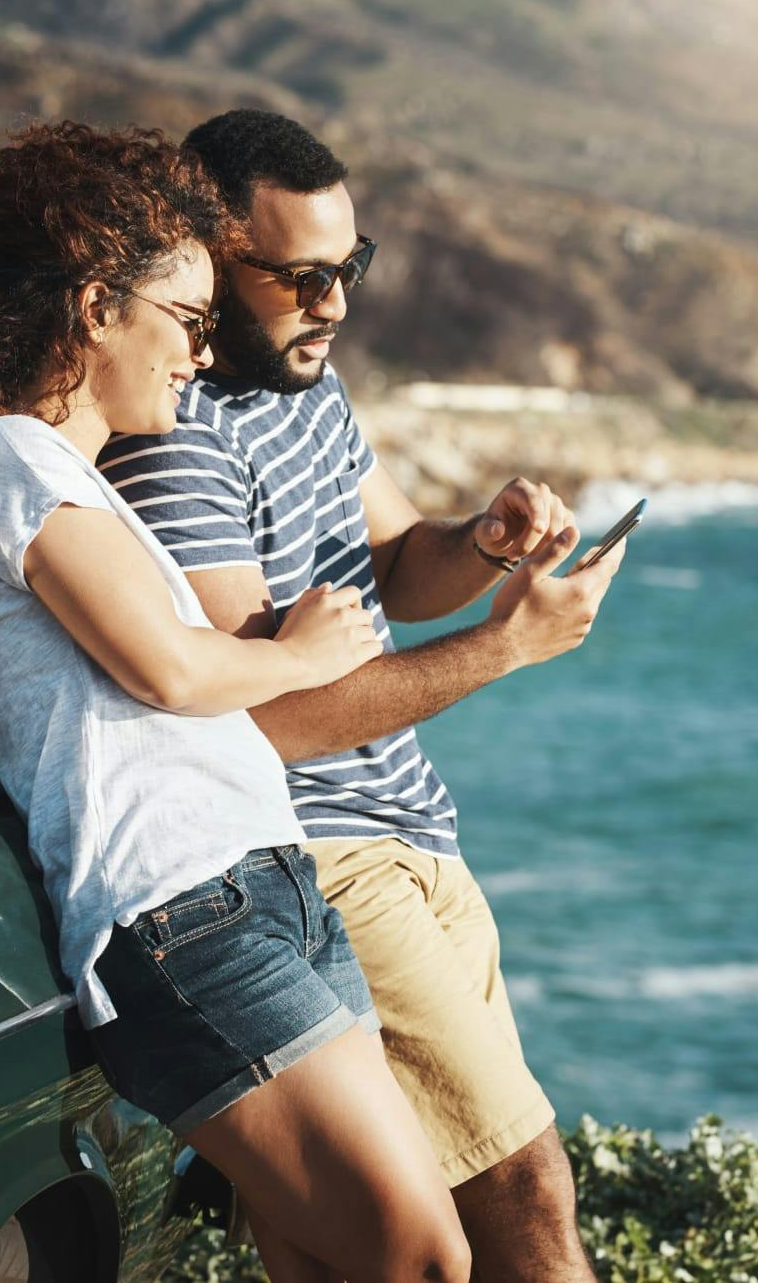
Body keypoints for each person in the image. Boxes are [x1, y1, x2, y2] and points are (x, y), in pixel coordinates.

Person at [0, 121, 471, 1283]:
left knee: (328, 1259)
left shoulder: (69, 476)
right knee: (420, 1253)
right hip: (185, 912)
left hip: (259, 881)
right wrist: (303, 649)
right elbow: (172, 670)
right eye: (183, 322)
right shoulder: (8, 457)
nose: (198, 353)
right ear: (94, 309)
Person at [100, 110, 621, 1282]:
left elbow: (393, 561)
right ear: (205, 259)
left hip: (419, 834)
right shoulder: (175, 443)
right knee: (524, 1188)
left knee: (408, 1227)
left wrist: (485, 542)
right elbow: (264, 719)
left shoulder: (310, 395)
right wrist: (504, 649)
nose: (334, 302)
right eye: (300, 277)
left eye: (350, 267)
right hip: (325, 853)